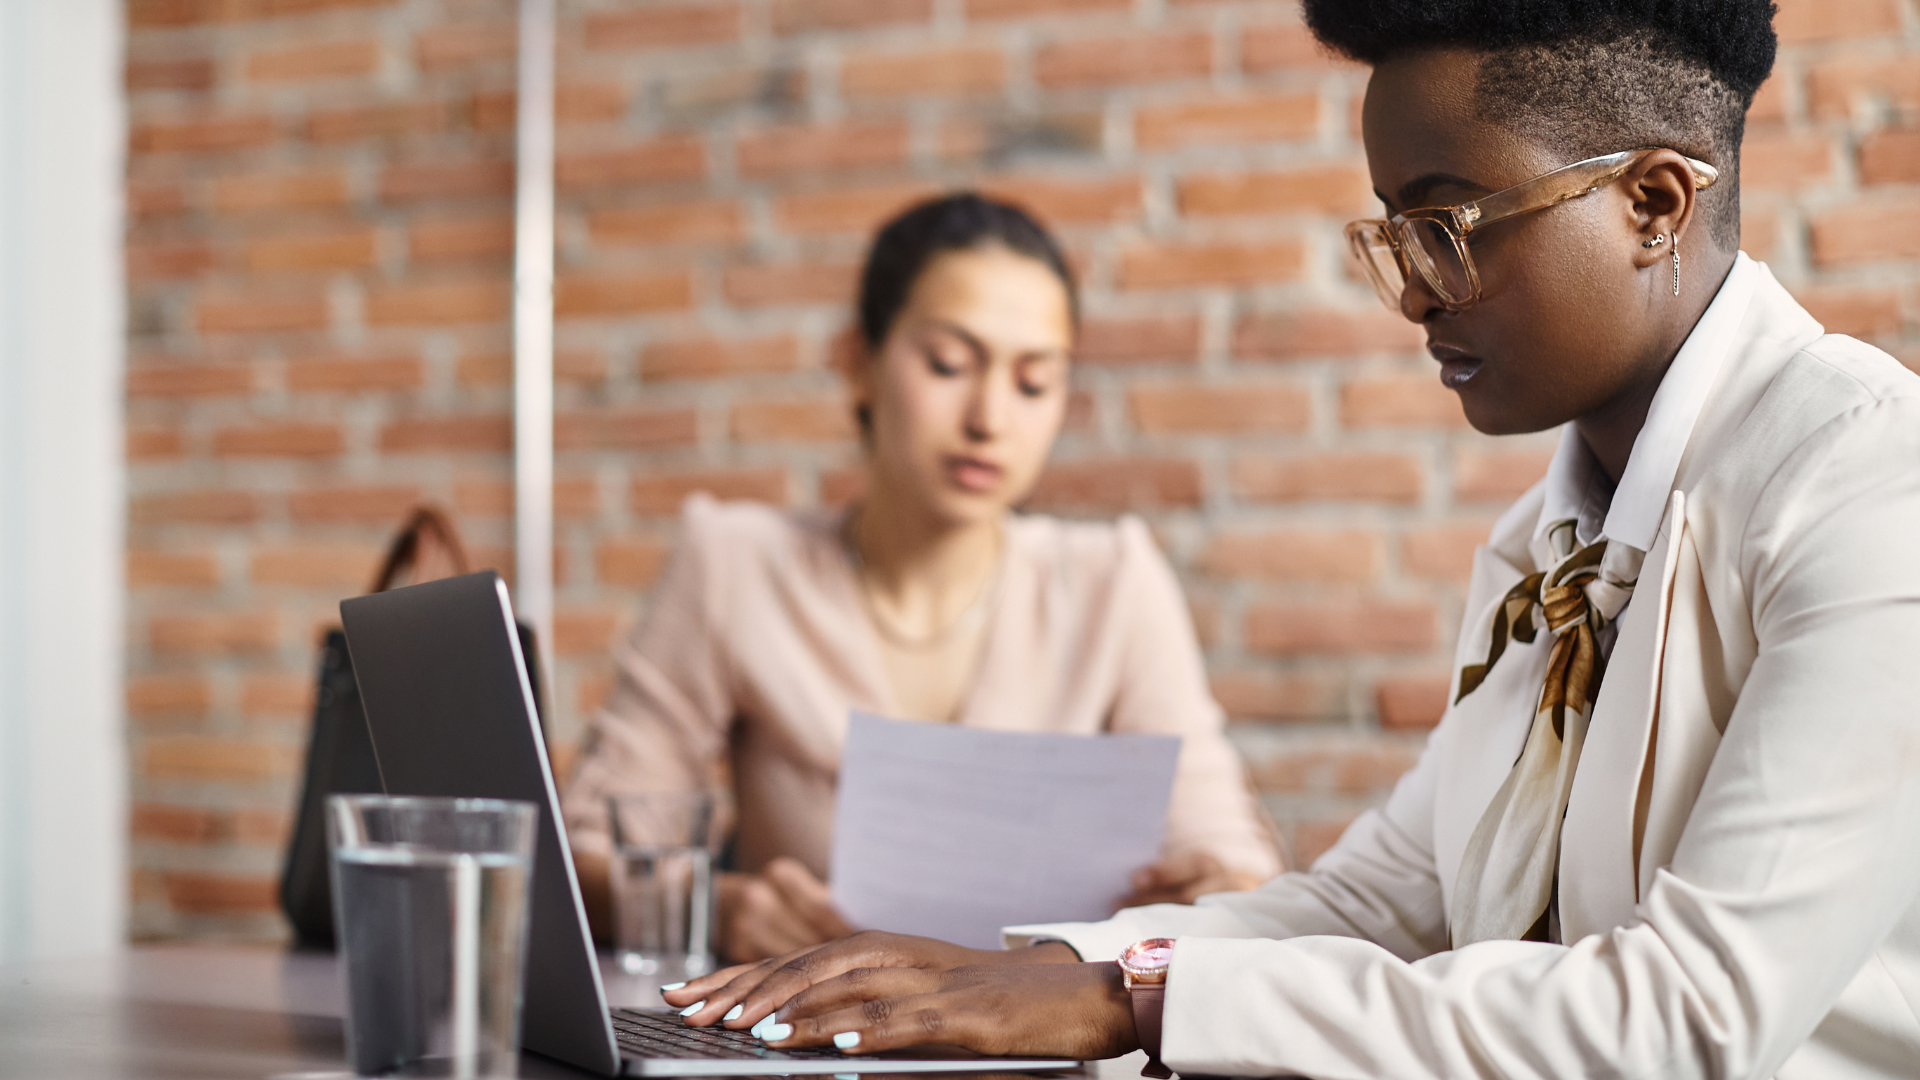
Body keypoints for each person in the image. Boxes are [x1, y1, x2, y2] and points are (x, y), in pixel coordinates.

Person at [660, 3, 1920, 1076]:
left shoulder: (1868, 479)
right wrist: (1034, 970)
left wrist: (1128, 1001)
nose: (1416, 291)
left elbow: (1691, 1018)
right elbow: (1377, 904)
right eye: (1394, 232)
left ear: (1654, 202)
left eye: (1453, 225)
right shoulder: (1540, 545)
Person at [563, 193, 1282, 964]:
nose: (989, 417)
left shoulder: (1111, 582)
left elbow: (1236, 862)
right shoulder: (735, 565)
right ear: (858, 362)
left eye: (1034, 383)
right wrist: (716, 906)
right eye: (948, 364)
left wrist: (1212, 891)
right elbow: (580, 855)